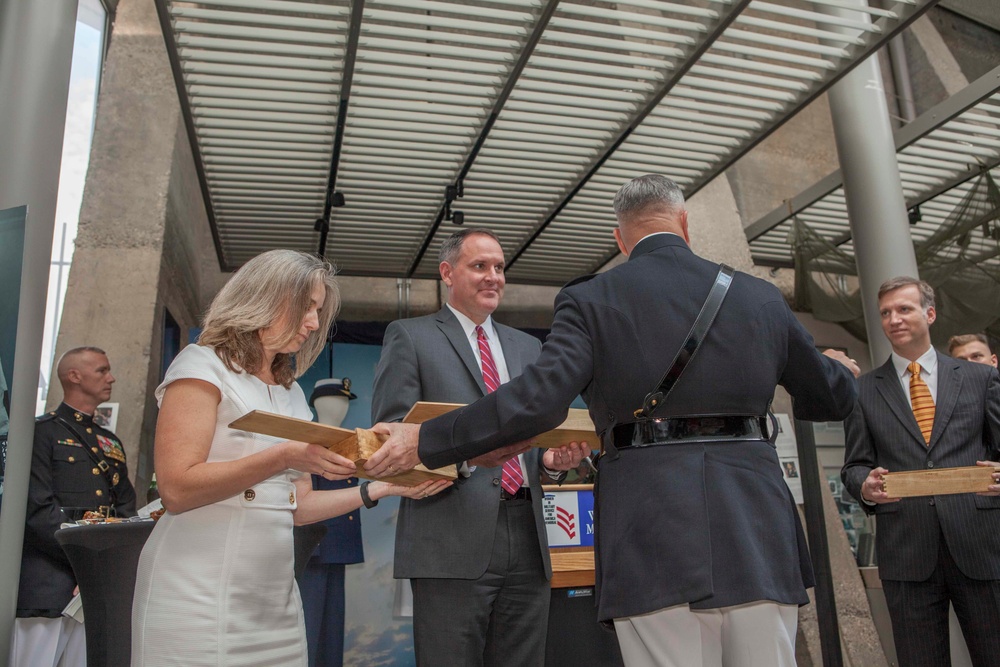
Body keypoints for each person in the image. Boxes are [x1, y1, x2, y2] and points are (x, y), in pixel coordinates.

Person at [367, 175, 859, 667]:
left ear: (619, 238)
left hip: (651, 533)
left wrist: (428, 439)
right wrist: (843, 369)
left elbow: (537, 402)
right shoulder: (761, 297)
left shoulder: (592, 300)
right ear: (684, 223)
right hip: (757, 533)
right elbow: (832, 395)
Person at [130, 250, 450, 667]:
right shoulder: (201, 365)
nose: (314, 323)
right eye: (307, 307)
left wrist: (383, 488)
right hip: (197, 594)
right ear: (265, 298)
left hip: (275, 603)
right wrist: (283, 456)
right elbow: (175, 488)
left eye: (318, 310)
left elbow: (297, 507)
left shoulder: (292, 393)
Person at [370, 228, 587, 666]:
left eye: (500, 267)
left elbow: (526, 435)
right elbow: (391, 442)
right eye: (480, 266)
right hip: (448, 538)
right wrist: (467, 458)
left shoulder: (529, 347)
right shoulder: (410, 337)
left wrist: (549, 462)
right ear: (447, 273)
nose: (493, 277)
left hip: (529, 535)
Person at [842, 277, 1000, 667]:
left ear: (929, 314)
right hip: (907, 554)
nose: (894, 319)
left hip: (981, 547)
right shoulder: (862, 391)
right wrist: (865, 485)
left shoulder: (981, 379)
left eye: (904, 309)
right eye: (885, 313)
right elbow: (854, 465)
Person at [11, 346, 137, 667]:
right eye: (102, 370)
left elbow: (124, 511)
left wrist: (103, 567)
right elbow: (37, 510)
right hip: (47, 587)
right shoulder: (41, 432)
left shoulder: (111, 443)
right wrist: (85, 562)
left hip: (93, 592)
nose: (111, 378)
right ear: (74, 376)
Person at [297, 378, 363, 667]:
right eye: (338, 400)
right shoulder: (306, 440)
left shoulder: (347, 440)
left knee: (331, 634)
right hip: (313, 547)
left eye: (346, 401)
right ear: (319, 403)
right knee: (308, 630)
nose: (343, 407)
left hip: (337, 548)